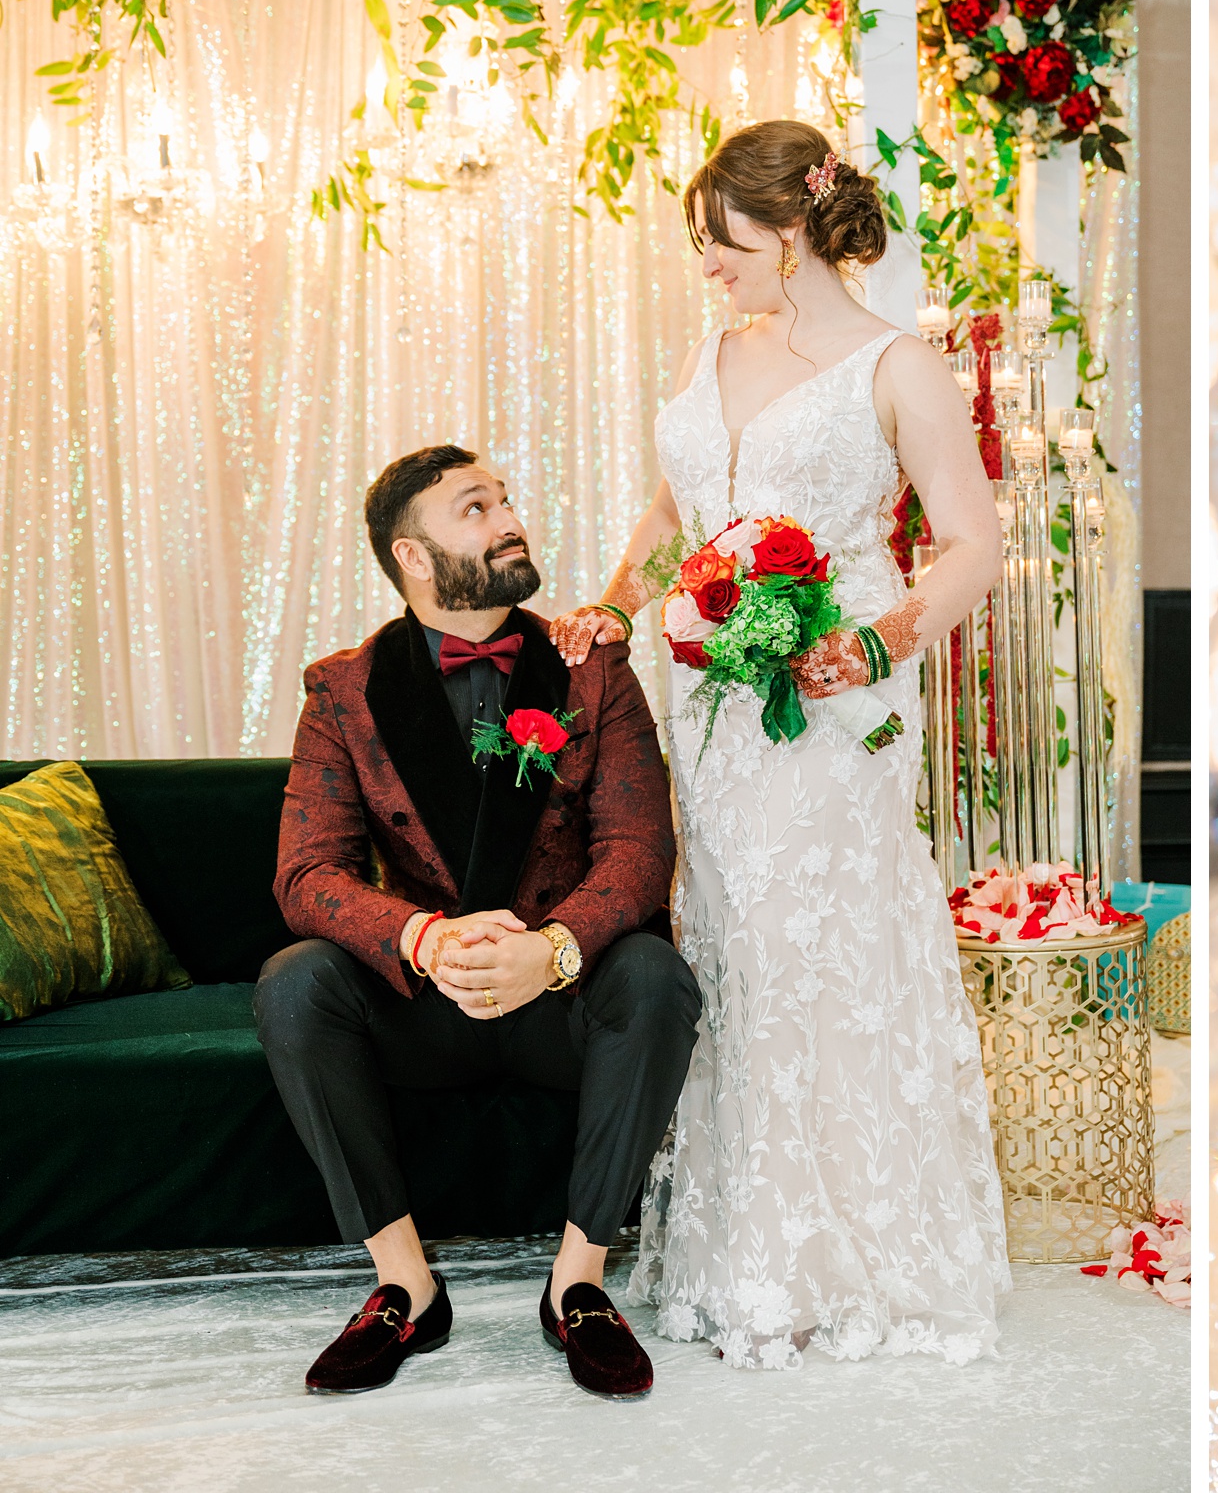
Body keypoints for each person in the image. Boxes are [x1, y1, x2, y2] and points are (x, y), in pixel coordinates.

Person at [549, 119, 1009, 1369]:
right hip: (711, 707)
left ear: (793, 228)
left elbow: (973, 540)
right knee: (732, 944)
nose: (708, 264)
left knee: (820, 947)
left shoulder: (898, 365)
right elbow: (671, 509)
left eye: (723, 240)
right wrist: (615, 601)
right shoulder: (713, 350)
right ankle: (745, 1244)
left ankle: (853, 1251)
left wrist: (878, 641)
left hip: (837, 696)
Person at [257, 446, 700, 1400]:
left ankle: (577, 1286)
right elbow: (307, 872)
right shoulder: (342, 690)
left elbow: (638, 853)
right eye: (475, 507)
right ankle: (406, 1287)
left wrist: (552, 950)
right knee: (293, 982)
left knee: (658, 978)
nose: (509, 519)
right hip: (428, 1001)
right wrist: (422, 939)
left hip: (559, 999)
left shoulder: (592, 669)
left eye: (504, 499)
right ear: (413, 556)